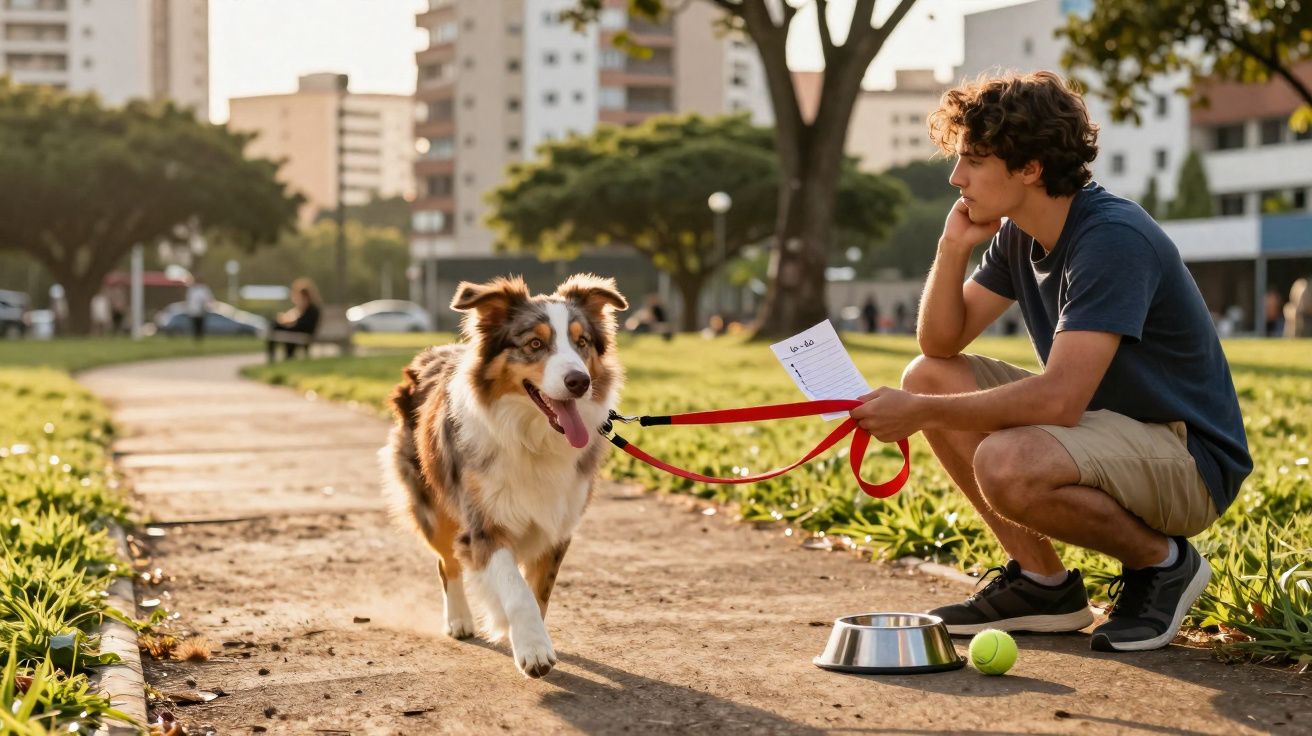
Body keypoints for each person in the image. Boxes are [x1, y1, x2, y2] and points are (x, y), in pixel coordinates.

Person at [850, 71, 1251, 653]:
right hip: (1109, 430)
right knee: (928, 376)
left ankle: (1164, 564)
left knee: (1007, 461)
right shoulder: (1019, 235)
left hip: (1186, 455)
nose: (955, 177)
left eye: (974, 161)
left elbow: (1059, 399)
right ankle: (1044, 586)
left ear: (1030, 167)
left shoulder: (1111, 237)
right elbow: (940, 345)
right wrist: (952, 247)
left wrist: (917, 412)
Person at [266, 278, 322, 362]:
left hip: (303, 331)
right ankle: (279, 357)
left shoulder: (311, 308)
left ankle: (283, 357)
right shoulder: (306, 307)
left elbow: (302, 322)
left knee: (280, 328)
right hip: (298, 330)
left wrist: (288, 320)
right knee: (275, 325)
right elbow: (295, 317)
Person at [185, 277, 213, 342]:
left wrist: (206, 306)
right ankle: (196, 338)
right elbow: (189, 300)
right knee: (194, 326)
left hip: (201, 311)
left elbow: (207, 299)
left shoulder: (203, 289)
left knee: (200, 326)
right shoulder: (191, 290)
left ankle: (200, 339)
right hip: (193, 311)